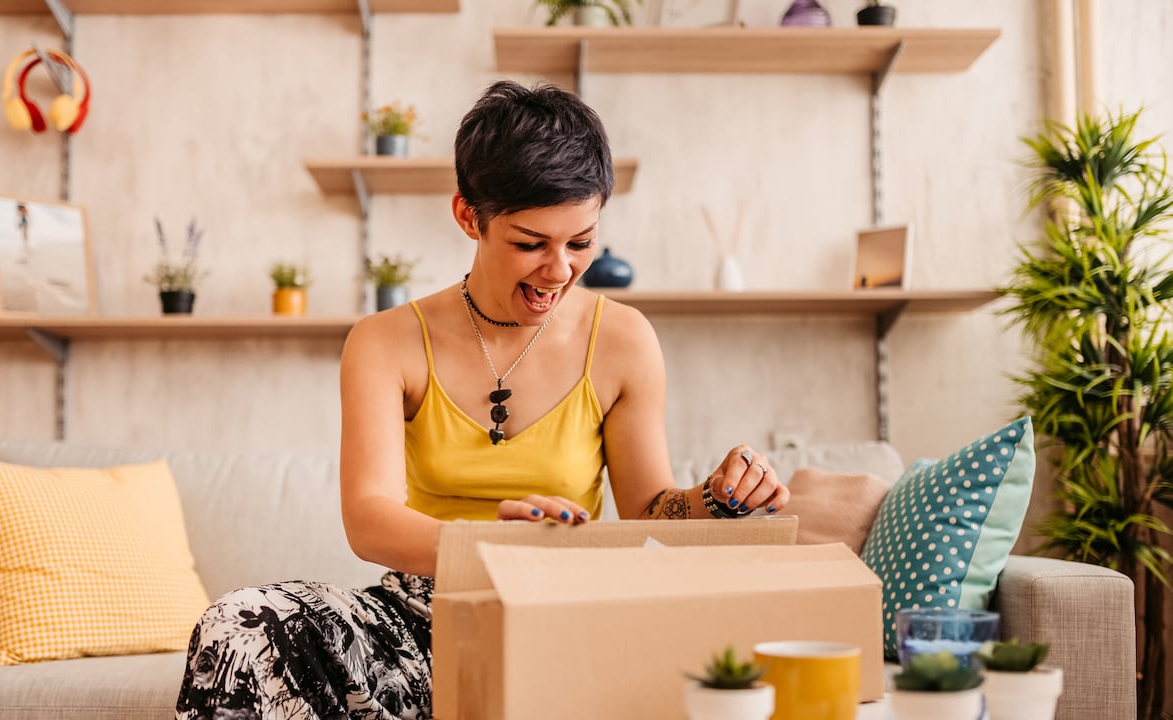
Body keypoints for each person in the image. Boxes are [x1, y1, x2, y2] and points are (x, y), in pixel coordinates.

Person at [174, 80, 790, 720]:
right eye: (530, 243)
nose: (559, 270)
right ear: (469, 216)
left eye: (581, 241)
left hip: (561, 617)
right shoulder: (385, 342)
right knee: (237, 626)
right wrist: (488, 545)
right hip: (416, 620)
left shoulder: (625, 340)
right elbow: (368, 517)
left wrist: (717, 497)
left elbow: (649, 513)